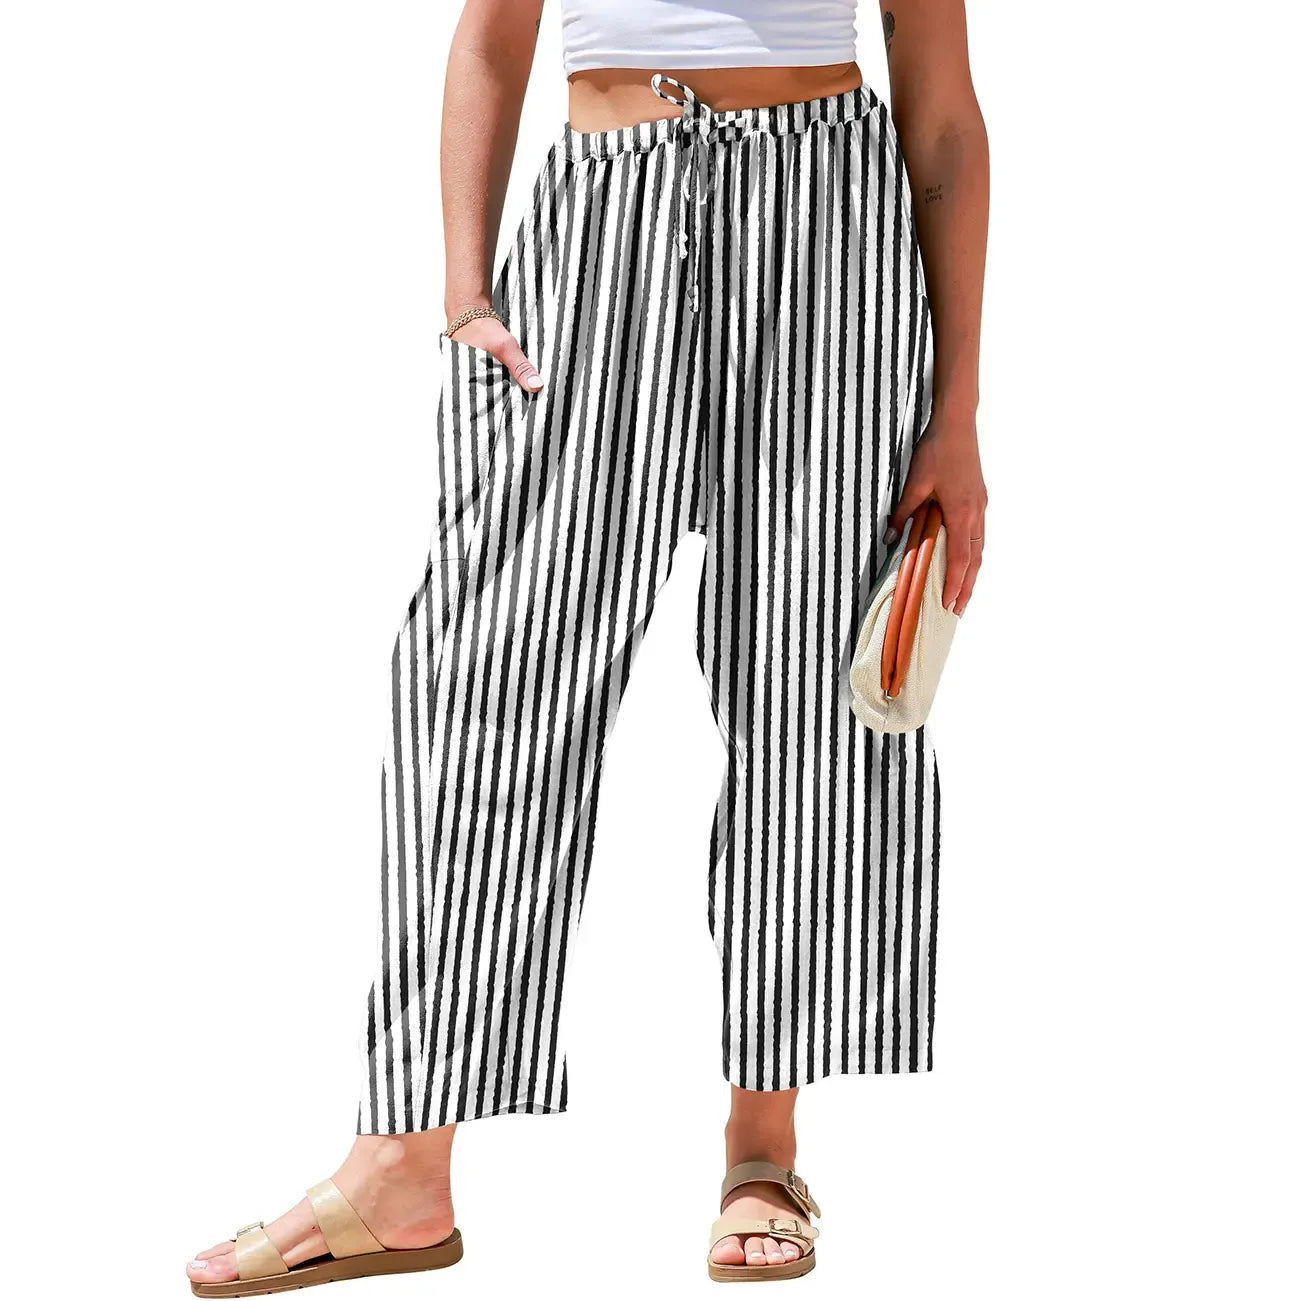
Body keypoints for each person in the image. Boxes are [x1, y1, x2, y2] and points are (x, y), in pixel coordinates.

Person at [187, 0, 988, 1291]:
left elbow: (939, 109)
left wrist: (955, 412)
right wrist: (464, 291)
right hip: (602, 212)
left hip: (829, 227)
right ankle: (403, 1166)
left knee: (810, 703)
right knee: (479, 679)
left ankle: (763, 1145)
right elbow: (492, 36)